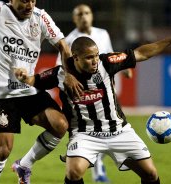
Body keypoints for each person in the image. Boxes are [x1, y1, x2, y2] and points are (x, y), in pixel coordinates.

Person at [14, 24, 171, 184]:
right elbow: (34, 80)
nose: (95, 61)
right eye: (89, 58)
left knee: (151, 174)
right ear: (75, 57)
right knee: (73, 172)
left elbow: (141, 53)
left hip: (119, 131)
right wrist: (24, 76)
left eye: (96, 56)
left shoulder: (107, 62)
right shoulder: (60, 74)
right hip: (85, 134)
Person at [0, 0, 82, 184]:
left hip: (28, 89)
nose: (29, 5)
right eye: (23, 1)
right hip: (1, 94)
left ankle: (25, 165)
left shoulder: (40, 17)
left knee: (60, 125)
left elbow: (63, 46)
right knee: (2, 151)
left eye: (32, 0)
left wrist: (69, 74)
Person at [56, 4, 132, 183]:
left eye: (87, 13)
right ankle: (91, 164)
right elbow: (61, 67)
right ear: (74, 19)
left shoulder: (102, 33)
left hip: (105, 88)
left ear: (92, 16)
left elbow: (109, 55)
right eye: (80, 14)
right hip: (83, 94)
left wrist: (123, 69)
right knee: (88, 129)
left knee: (109, 124)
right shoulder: (69, 41)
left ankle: (101, 163)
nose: (84, 16)